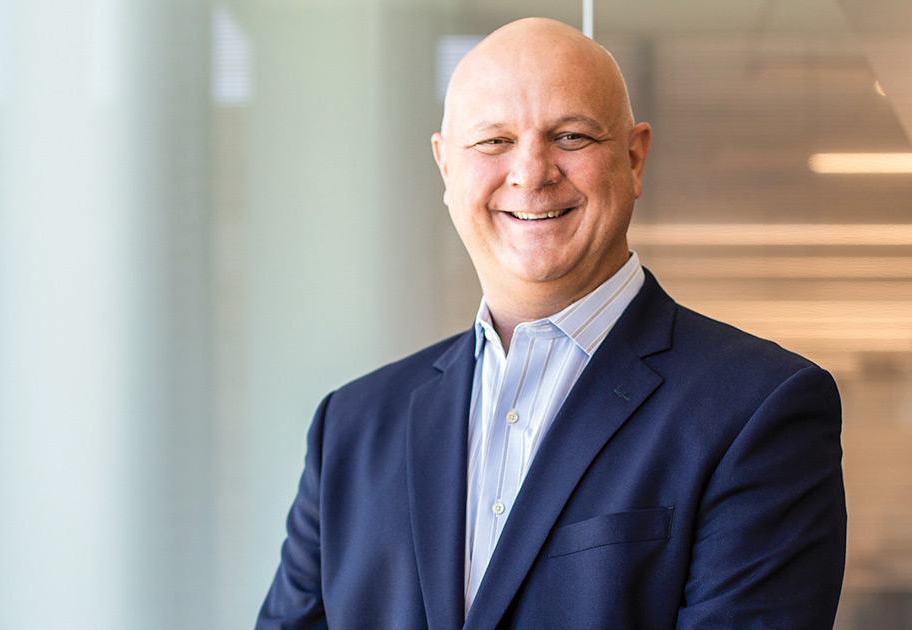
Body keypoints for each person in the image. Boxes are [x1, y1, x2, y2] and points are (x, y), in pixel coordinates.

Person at [255, 17, 846, 630]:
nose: (532, 172)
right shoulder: (350, 428)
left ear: (635, 157)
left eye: (570, 136)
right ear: (445, 168)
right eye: (492, 142)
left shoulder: (758, 409)